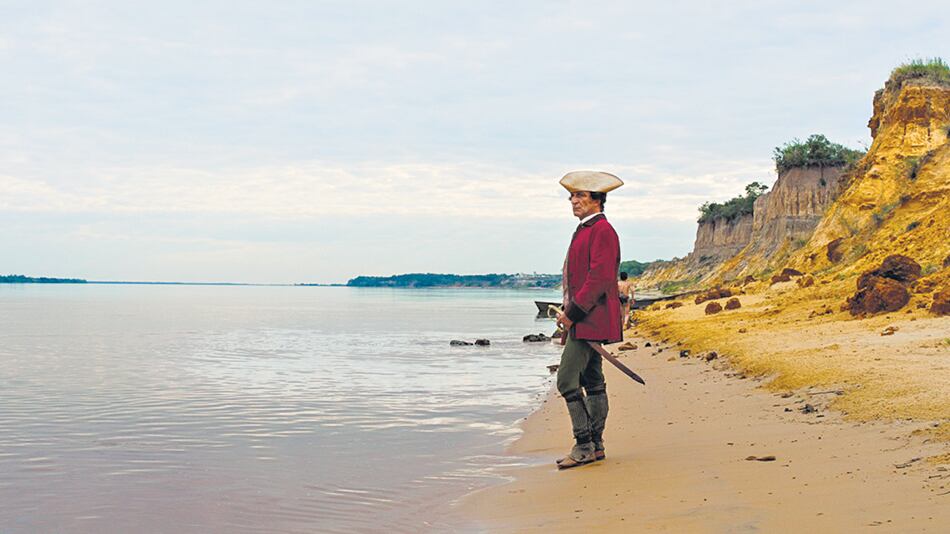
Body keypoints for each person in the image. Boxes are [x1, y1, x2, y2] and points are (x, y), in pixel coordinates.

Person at [554, 170, 623, 469]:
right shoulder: (584, 229)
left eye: (580, 195)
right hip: (584, 318)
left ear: (597, 199)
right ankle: (596, 446)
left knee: (566, 380)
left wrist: (571, 315)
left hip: (589, 319)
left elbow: (599, 279)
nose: (573, 200)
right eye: (572, 196)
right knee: (592, 380)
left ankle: (584, 445)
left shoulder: (602, 230)